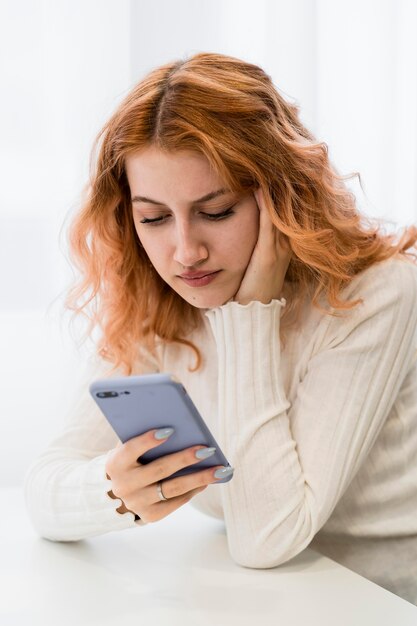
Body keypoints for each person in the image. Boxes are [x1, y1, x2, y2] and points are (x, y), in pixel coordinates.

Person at [24, 52, 417, 605]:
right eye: (154, 218)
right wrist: (114, 491)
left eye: (217, 211)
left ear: (283, 196)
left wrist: (250, 313)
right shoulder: (162, 302)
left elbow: (266, 538)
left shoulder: (377, 294)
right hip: (250, 595)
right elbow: (43, 495)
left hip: (382, 596)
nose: (185, 251)